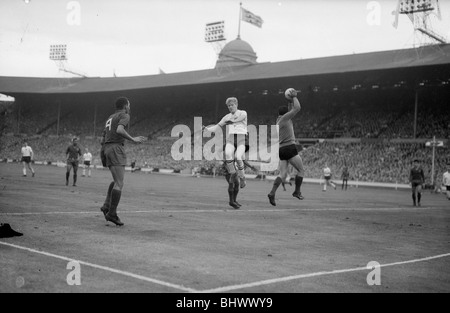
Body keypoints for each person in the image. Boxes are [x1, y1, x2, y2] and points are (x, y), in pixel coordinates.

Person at [99, 97, 146, 226]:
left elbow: (103, 137)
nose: (129, 107)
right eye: (129, 105)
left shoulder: (110, 117)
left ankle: (106, 205)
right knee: (119, 183)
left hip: (107, 148)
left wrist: (103, 151)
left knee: (116, 181)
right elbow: (120, 130)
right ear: (125, 106)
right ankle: (112, 214)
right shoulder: (124, 115)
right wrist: (133, 139)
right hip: (115, 147)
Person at [268, 88, 305, 206]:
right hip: (289, 147)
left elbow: (291, 109)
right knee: (301, 170)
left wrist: (288, 100)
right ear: (286, 114)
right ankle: (297, 191)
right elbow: (297, 108)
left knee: (282, 174)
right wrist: (294, 97)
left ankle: (272, 192)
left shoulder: (278, 121)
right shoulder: (285, 119)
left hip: (281, 149)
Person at [204, 97, 248, 189]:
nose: (230, 107)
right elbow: (217, 127)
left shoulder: (243, 113)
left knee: (237, 157)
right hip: (231, 138)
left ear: (236, 105)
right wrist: (207, 129)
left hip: (241, 138)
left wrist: (232, 121)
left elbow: (240, 118)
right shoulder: (226, 117)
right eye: (228, 106)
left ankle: (242, 177)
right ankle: (233, 173)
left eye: (232, 105)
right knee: (228, 154)